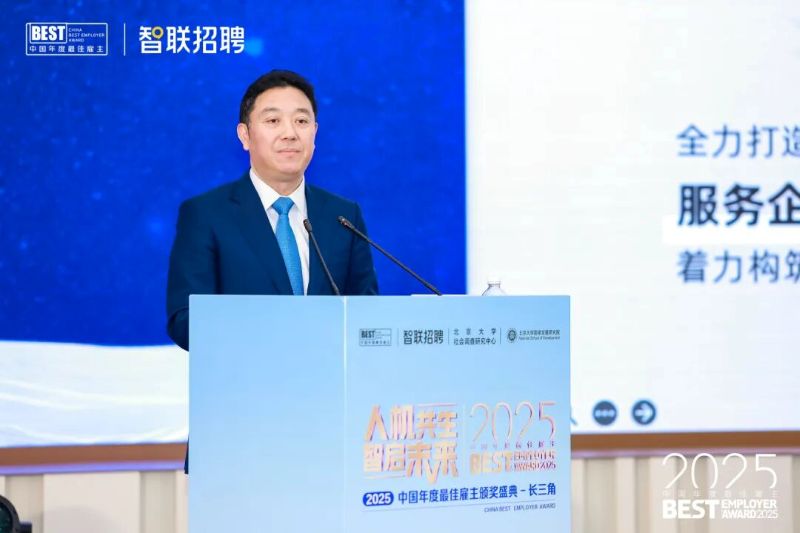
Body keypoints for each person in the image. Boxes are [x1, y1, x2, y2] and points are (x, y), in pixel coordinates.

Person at [166, 70, 378, 352]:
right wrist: (271, 335)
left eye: (301, 121)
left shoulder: (344, 216)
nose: (290, 134)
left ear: (314, 133)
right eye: (273, 121)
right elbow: (186, 320)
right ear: (245, 135)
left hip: (328, 377)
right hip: (244, 376)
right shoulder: (206, 214)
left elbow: (367, 314)